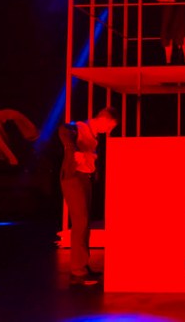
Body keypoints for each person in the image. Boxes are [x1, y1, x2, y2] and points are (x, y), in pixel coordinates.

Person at [59, 106, 119, 286]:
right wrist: (74, 150)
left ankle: (83, 266)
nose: (108, 131)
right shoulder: (79, 127)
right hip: (74, 178)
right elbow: (64, 130)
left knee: (85, 223)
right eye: (109, 126)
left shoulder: (94, 135)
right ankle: (78, 271)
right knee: (81, 222)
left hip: (85, 178)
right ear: (103, 120)